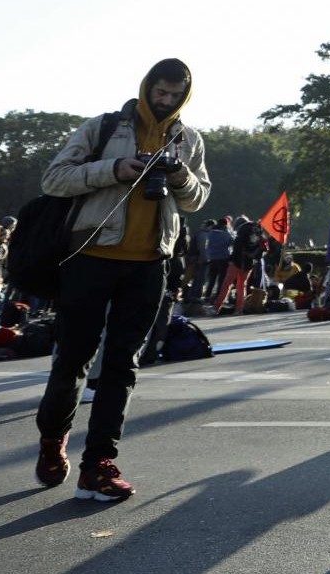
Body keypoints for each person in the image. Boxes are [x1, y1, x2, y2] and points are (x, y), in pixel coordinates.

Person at [32, 58, 210, 501]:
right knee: (73, 358)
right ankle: (53, 440)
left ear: (184, 95)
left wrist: (180, 174)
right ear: (147, 86)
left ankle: (99, 465)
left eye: (173, 95)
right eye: (159, 92)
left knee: (123, 365)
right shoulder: (104, 127)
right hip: (90, 256)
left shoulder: (188, 140)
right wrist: (115, 169)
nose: (164, 101)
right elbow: (53, 179)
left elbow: (197, 200)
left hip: (150, 261)